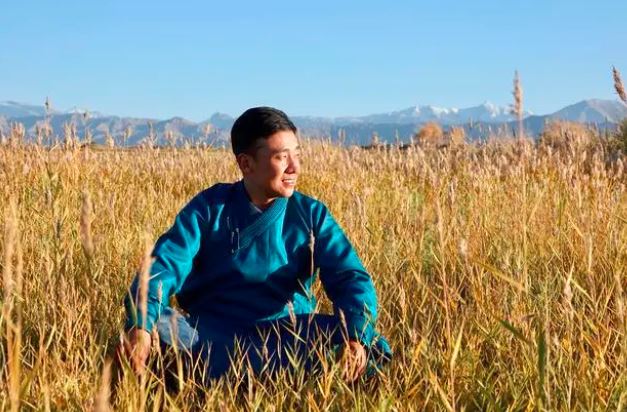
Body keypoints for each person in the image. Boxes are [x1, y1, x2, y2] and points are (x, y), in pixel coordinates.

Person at [120, 107, 391, 384]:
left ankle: (217, 375)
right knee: (157, 326)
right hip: (211, 334)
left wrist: (355, 338)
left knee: (370, 345)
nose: (294, 168)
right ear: (246, 164)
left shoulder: (311, 214)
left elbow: (350, 277)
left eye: (296, 154)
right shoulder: (209, 208)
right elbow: (163, 266)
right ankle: (261, 376)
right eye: (281, 157)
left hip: (288, 336)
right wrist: (142, 325)